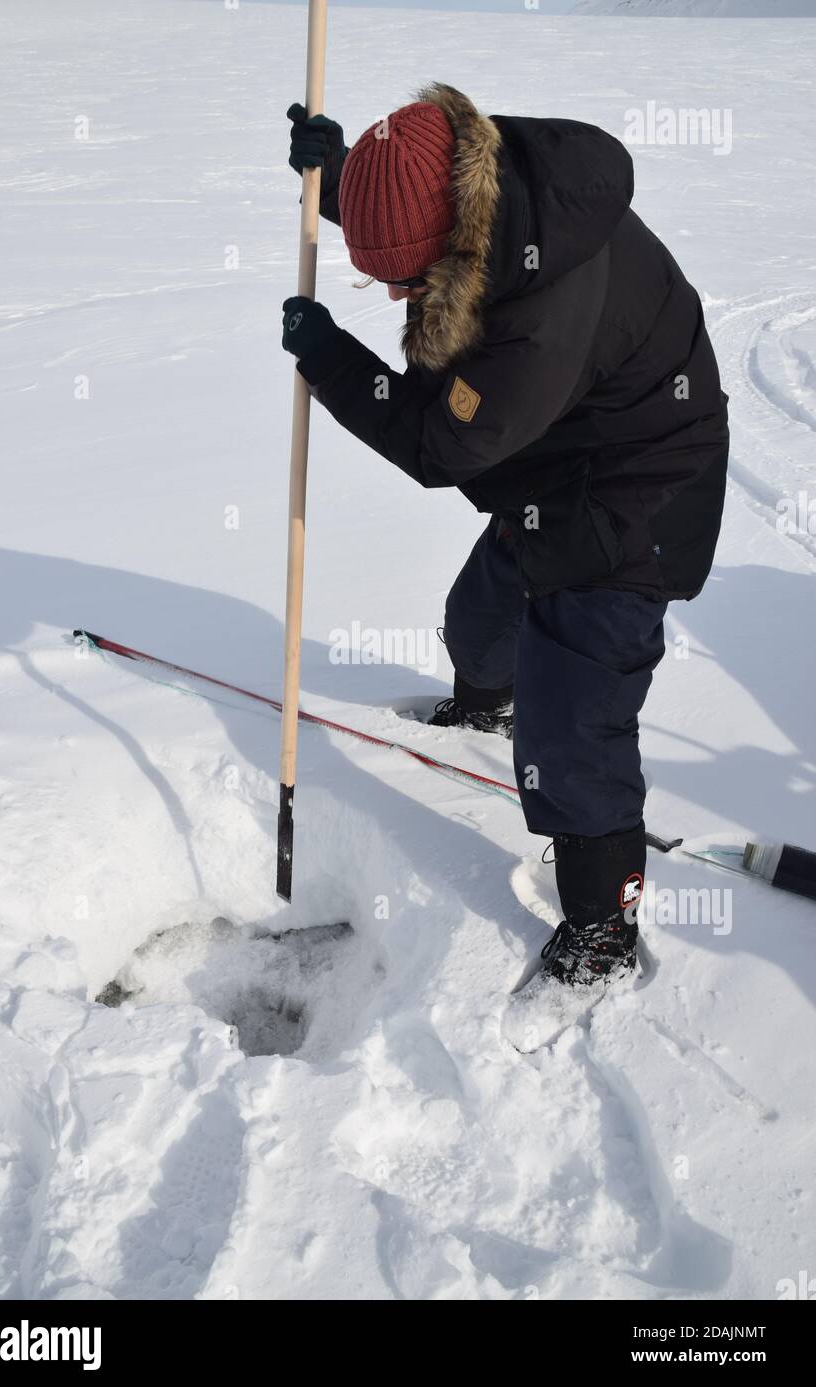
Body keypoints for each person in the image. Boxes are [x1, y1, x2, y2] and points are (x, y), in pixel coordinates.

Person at [280, 85, 728, 1048]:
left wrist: (331, 361)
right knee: (477, 622)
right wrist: (344, 186)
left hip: (636, 492)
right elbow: (422, 211)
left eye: (404, 283)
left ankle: (602, 927)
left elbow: (442, 447)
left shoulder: (537, 320)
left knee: (577, 728)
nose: (398, 300)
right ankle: (486, 707)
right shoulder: (486, 186)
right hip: (559, 455)